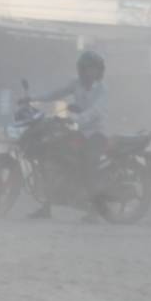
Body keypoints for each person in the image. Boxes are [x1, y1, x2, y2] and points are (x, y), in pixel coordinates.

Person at [28, 50, 108, 218]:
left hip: (96, 133)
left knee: (88, 166)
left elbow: (97, 111)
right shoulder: (76, 83)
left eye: (93, 68)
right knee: (54, 158)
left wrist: (77, 118)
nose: (90, 72)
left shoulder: (102, 89)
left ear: (99, 71)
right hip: (77, 130)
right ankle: (46, 208)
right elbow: (56, 93)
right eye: (87, 68)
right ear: (81, 69)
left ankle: (95, 210)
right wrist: (33, 98)